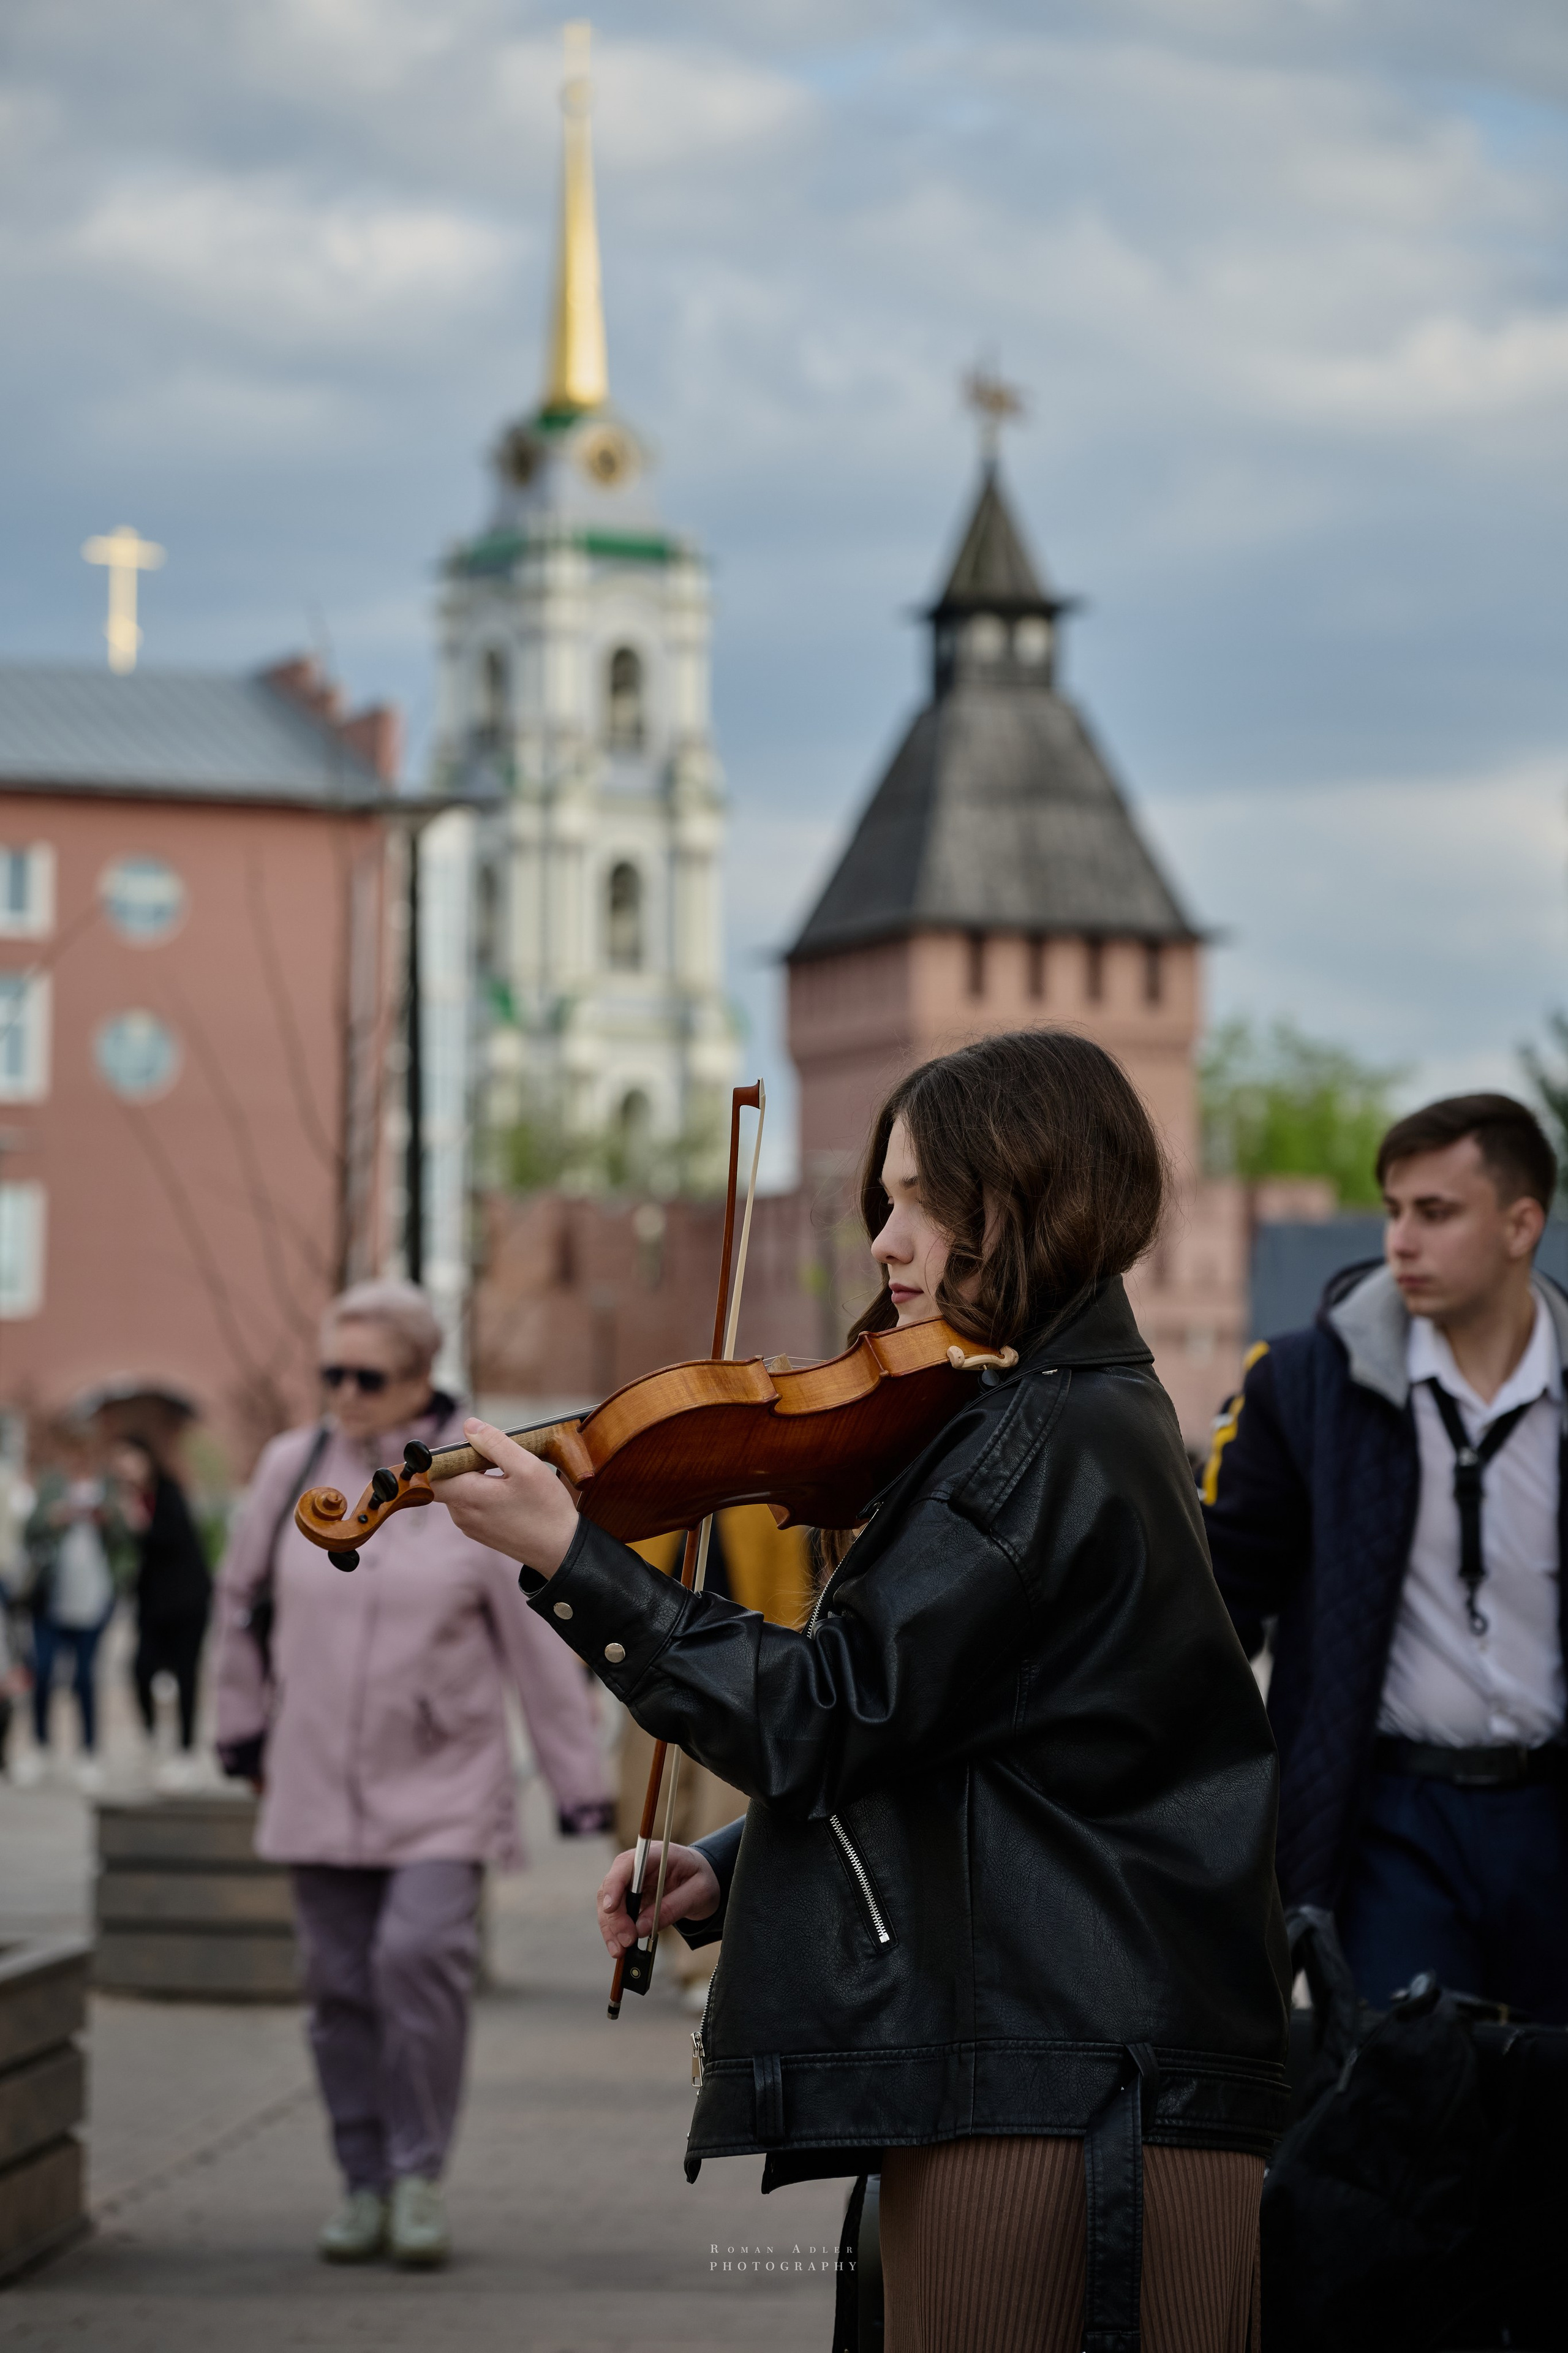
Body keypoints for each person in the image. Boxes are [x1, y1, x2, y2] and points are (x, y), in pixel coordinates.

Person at [442, 1032, 1290, 2353]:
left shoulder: (1038, 1443)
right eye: (879, 1205)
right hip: (1060, 2056)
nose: (884, 1244)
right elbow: (979, 1735)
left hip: (1056, 2081)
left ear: (1011, 1201)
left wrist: (573, 1560)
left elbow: (823, 1710)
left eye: (913, 1201)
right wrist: (736, 1864)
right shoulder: (1060, 1417)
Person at [213, 1279, 611, 2272]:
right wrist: (240, 1732)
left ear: (420, 1378)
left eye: (368, 1375)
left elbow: (535, 1643)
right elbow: (241, 1605)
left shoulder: (468, 1479)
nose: (344, 1391)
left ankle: (420, 2174)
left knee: (415, 1963)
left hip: (443, 1781)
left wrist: (577, 1784)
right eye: (332, 1372)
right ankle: (362, 2184)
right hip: (312, 1775)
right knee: (336, 1986)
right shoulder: (288, 1468)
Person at [1202, 1092, 1568, 2022]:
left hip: (1552, 1817)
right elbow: (1214, 1605)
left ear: (1523, 1223)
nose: (1400, 1240)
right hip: (1389, 1822)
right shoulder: (1303, 1383)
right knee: (1408, 2117)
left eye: (1435, 1213)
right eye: (1394, 1209)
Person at [18, 1434, 123, 1792]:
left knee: (85, 1678)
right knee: (44, 1672)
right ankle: (41, 1747)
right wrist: (54, 1518)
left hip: (94, 1596)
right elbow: (29, 1530)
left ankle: (89, 1753)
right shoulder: (51, 1484)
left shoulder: (108, 1485)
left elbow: (125, 1535)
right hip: (51, 1596)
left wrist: (107, 1519)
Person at [115, 1438, 212, 1789]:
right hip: (153, 1605)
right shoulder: (132, 1499)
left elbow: (169, 1540)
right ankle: (154, 1739)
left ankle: (186, 1753)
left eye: (130, 1458)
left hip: (186, 1603)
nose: (125, 1466)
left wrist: (140, 1522)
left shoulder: (168, 1494)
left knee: (187, 1675)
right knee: (139, 1669)